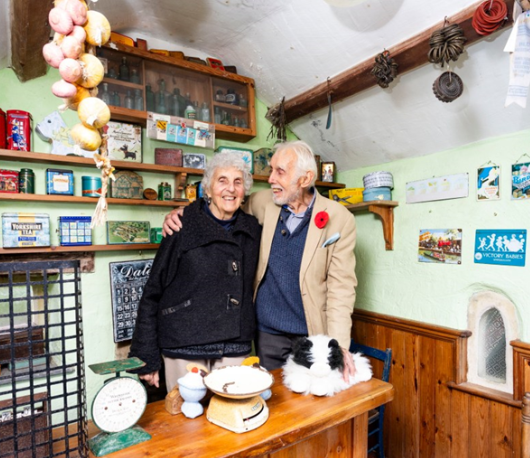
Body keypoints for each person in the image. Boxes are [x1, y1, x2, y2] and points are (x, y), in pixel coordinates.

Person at [165, 141, 358, 380]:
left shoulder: (340, 219)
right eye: (271, 170)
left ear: (305, 178)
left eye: (280, 172)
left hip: (312, 332)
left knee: (313, 404)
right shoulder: (263, 202)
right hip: (267, 333)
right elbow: (221, 202)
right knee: (275, 403)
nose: (270, 179)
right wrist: (184, 213)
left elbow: (342, 288)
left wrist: (340, 344)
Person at [129, 151, 260, 391]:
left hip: (234, 344)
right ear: (207, 189)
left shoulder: (252, 230)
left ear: (244, 192)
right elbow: (152, 292)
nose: (230, 189)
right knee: (187, 421)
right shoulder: (182, 225)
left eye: (238, 182)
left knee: (230, 416)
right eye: (222, 181)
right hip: (183, 344)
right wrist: (145, 355)